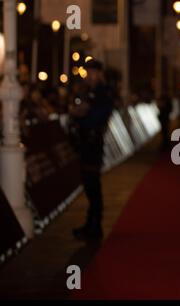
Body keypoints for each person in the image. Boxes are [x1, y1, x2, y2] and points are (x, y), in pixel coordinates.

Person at [69, 59, 113, 241]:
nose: (88, 77)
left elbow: (95, 116)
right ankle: (91, 224)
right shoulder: (91, 92)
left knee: (93, 186)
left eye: (91, 73)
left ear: (99, 73)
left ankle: (95, 226)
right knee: (89, 185)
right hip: (87, 142)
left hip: (93, 142)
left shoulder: (102, 93)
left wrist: (81, 115)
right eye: (87, 73)